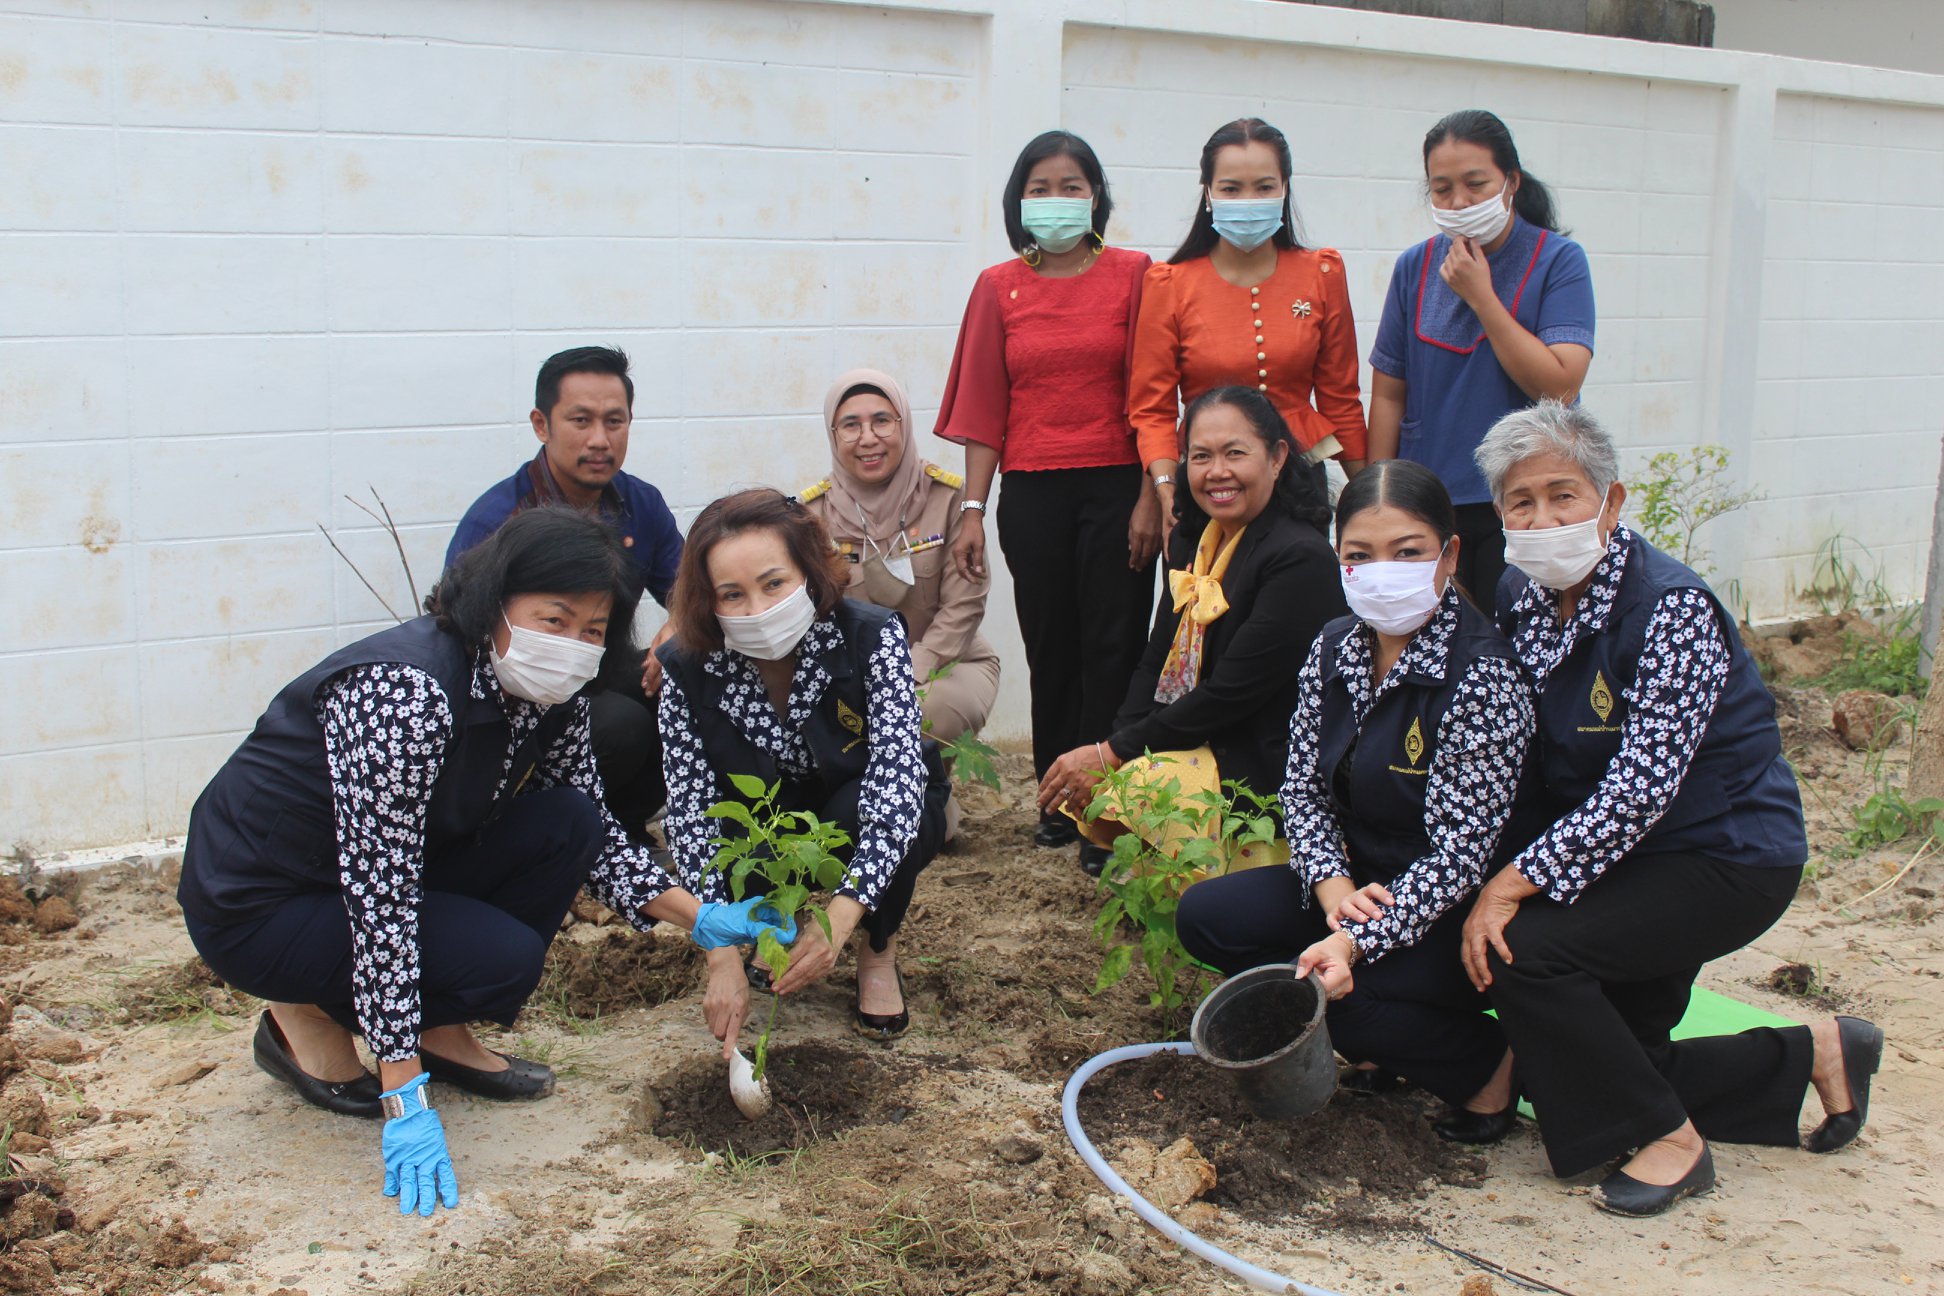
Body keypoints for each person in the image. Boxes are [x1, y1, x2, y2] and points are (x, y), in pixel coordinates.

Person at [178, 507, 789, 1217]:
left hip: (363, 877)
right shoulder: (406, 692)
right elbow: (382, 901)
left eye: (594, 631)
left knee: (569, 820)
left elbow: (595, 833)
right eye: (553, 620)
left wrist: (701, 917)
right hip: (261, 901)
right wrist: (402, 1097)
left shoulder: (542, 695)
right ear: (494, 603)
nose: (573, 646)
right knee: (499, 959)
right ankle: (303, 1019)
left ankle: (431, 1025)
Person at [1462, 401, 1881, 1216]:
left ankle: (1675, 1146)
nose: (1543, 519)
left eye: (1564, 495)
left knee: (1528, 952)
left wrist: (1511, 882)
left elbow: (1641, 788)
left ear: (1611, 503)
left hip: (1722, 857)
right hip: (1622, 856)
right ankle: (1815, 1054)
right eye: (1522, 502)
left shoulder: (1671, 609)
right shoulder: (1520, 593)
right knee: (1608, 1062)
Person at [1174, 461, 1532, 1135]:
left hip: (1445, 908)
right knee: (1208, 917)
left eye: (1409, 552)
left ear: (1450, 554)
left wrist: (1355, 942)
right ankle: (1381, 1045)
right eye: (1360, 555)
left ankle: (1487, 1071)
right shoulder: (1335, 646)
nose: (1383, 570)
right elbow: (1302, 788)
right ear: (1338, 560)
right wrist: (1336, 894)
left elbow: (1461, 857)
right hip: (1356, 878)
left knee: (1331, 997)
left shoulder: (1482, 674)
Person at [656, 489, 951, 1043]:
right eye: (732, 595)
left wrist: (838, 921)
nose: (758, 610)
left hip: (868, 800)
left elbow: (895, 784)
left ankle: (878, 949)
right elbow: (691, 814)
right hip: (772, 816)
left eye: (774, 583)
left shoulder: (872, 636)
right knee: (740, 832)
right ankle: (762, 938)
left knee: (882, 810)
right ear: (707, 602)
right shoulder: (687, 669)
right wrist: (719, 955)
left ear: (809, 574)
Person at [936, 129, 1160, 857]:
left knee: (1114, 644)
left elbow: (1154, 397)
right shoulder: (998, 287)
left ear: (1097, 197)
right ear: (1018, 200)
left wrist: (1153, 496)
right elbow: (982, 407)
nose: (1057, 200)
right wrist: (971, 509)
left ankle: (1113, 806)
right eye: (1041, 187)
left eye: (1072, 186)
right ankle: (1060, 801)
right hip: (1032, 493)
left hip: (1117, 486)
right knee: (1051, 646)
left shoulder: (1136, 275)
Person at [1038, 387, 1347, 876]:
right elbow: (1155, 659)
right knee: (1114, 780)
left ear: (1278, 457)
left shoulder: (1299, 556)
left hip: (1261, 755)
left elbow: (1231, 695)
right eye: (1200, 456)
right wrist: (1118, 746)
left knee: (1136, 782)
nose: (1216, 472)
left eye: (1235, 453)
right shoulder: (1193, 536)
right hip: (1201, 734)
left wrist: (1113, 753)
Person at [447, 345, 684, 841]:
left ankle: (632, 834)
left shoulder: (641, 502)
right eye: (581, 420)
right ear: (541, 424)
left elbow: (688, 587)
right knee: (621, 723)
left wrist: (677, 624)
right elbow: (459, 639)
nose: (600, 439)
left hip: (600, 669)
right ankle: (557, 839)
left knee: (687, 674)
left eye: (614, 421)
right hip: (518, 702)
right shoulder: (498, 520)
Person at [1366, 110, 1595, 600]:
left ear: (1510, 181)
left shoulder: (1558, 261)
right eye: (1442, 189)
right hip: (1428, 503)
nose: (1459, 202)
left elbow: (1560, 385)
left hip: (1522, 502)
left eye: (1476, 183)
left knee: (1517, 643)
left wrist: (1482, 297)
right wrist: (1377, 497)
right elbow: (1388, 394)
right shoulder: (1415, 266)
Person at [1129, 116, 1367, 522]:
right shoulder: (1170, 283)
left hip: (1298, 474)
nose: (1247, 200)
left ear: (1285, 189)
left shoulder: (1321, 273)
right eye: (1231, 189)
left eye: (1264, 187)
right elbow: (1152, 410)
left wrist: (1369, 496)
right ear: (1208, 194)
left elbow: (1341, 399)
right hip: (1208, 483)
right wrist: (1164, 492)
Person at [800, 368, 1000, 749]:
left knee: (921, 714)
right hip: (852, 675)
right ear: (833, 434)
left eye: (881, 421)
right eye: (850, 425)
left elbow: (965, 605)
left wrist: (907, 671)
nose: (868, 438)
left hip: (947, 666)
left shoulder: (948, 499)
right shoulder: (812, 515)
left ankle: (932, 792)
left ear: (903, 425)